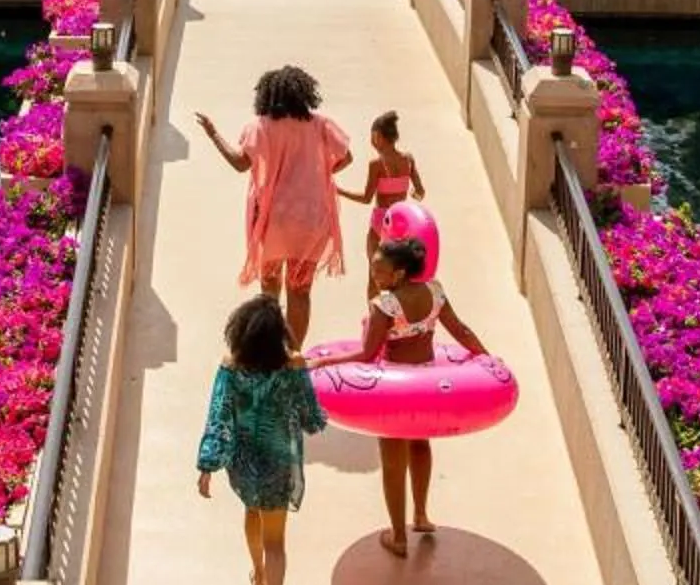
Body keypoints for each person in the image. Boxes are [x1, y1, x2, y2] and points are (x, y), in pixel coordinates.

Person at [334, 237, 489, 557]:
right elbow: (459, 330)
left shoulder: (385, 304)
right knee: (420, 443)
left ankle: (399, 536)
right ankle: (421, 514)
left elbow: (366, 354)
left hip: (395, 391)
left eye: (379, 270)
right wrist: (487, 358)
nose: (374, 275)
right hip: (427, 384)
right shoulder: (435, 292)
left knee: (393, 461)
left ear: (399, 273)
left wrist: (323, 362)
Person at [197, 295, 329, 585]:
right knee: (277, 542)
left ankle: (257, 575)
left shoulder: (230, 367)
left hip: (243, 465)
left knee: (250, 512)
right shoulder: (292, 367)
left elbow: (218, 418)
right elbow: (312, 420)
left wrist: (207, 465)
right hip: (279, 465)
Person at [196, 65, 352, 347]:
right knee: (301, 291)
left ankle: (269, 350)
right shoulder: (321, 125)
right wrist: (319, 175)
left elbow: (240, 163)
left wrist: (213, 134)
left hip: (273, 220)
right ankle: (294, 353)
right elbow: (346, 157)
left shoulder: (260, 126)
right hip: (312, 218)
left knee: (269, 292)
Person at [345, 110, 426, 261]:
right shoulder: (408, 160)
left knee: (375, 276)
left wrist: (339, 191)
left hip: (381, 221)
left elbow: (366, 198)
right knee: (396, 274)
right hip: (402, 220)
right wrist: (414, 193)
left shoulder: (376, 164)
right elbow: (420, 193)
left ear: (377, 136)